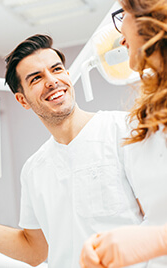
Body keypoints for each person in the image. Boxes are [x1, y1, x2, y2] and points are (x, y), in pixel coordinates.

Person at [0, 34, 145, 268]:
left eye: (57, 69)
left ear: (68, 76)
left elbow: (158, 218)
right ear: (22, 100)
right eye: (36, 78)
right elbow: (34, 250)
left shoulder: (123, 130)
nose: (52, 81)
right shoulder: (34, 170)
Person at [80, 0, 167, 267]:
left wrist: (159, 240)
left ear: (148, 17)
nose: (119, 37)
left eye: (123, 14)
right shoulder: (150, 114)